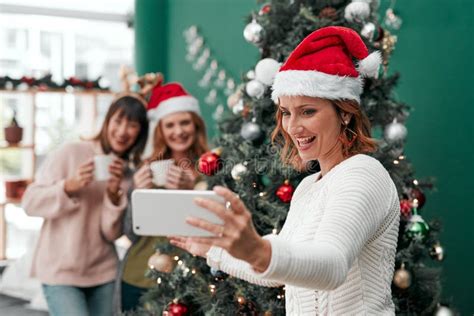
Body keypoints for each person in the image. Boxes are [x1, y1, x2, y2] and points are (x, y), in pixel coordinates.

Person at [170, 26, 401, 315]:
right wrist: (213, 249)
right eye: (287, 113)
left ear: (344, 112)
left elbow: (331, 265)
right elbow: (281, 270)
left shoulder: (363, 174)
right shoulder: (307, 188)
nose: (292, 127)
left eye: (308, 111)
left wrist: (256, 248)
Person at [22, 93, 149, 316]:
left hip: (104, 272)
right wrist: (69, 186)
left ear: (140, 132)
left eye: (132, 125)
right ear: (107, 121)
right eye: (118, 121)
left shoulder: (128, 176)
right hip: (60, 272)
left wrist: (113, 193)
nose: (122, 131)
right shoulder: (71, 152)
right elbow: (30, 202)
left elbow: (111, 234)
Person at [118, 82, 209, 313]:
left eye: (184, 122)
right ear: (161, 130)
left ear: (196, 124)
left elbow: (216, 230)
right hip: (141, 275)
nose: (178, 131)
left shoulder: (211, 167)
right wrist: (137, 195)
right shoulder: (146, 169)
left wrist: (191, 190)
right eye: (170, 125)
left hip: (195, 281)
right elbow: (131, 233)